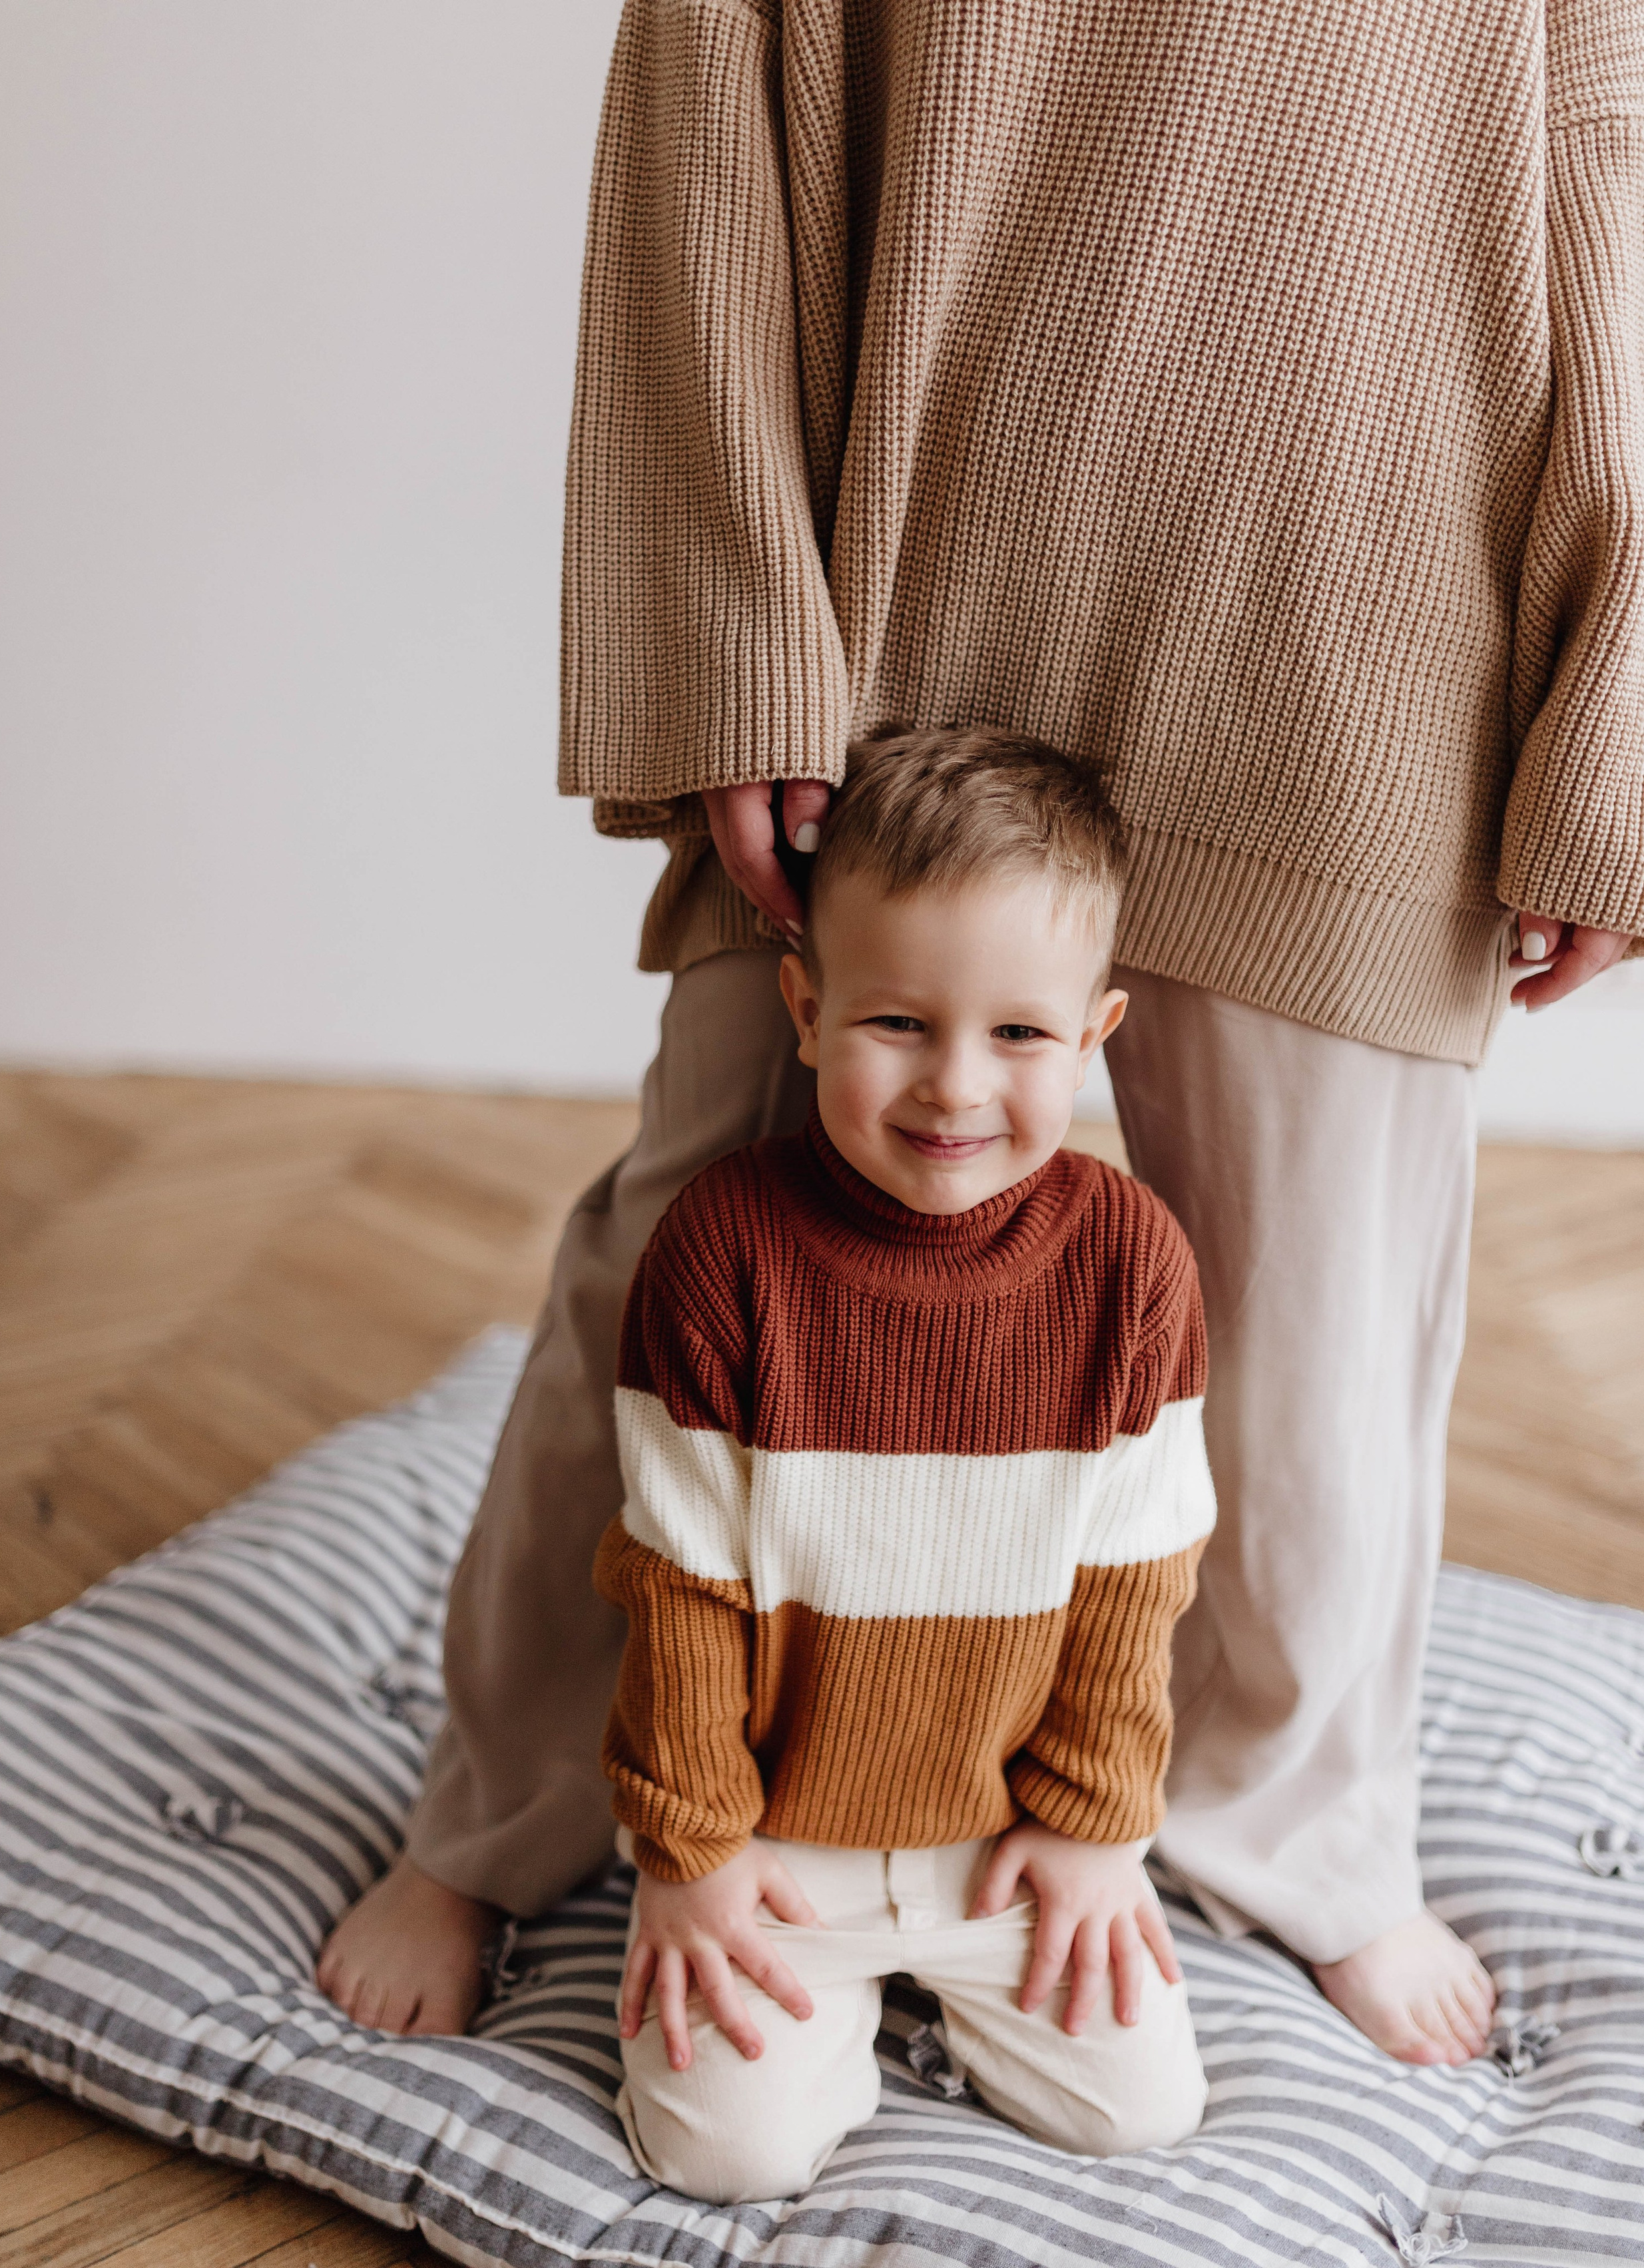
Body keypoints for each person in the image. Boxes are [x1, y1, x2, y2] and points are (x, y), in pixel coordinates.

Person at [318, 0, 1644, 2065]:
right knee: (687, 1256)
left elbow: (1608, 128)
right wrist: (730, 625)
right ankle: (508, 1806)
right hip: (907, 536)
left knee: (1325, 1323)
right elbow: (709, 86)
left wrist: (1619, 712)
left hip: (1372, 580)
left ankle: (1291, 1823)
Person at [601, 730, 1211, 2197]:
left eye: (1016, 1035)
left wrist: (1088, 1831)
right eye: (895, 1022)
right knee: (726, 2160)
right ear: (803, 1010)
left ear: (1094, 1034)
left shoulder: (1131, 1265)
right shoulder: (720, 1251)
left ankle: (921, 2003)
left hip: (1001, 1839)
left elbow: (1138, 1586)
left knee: (1139, 2112)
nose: (952, 1088)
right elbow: (673, 1588)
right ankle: (829, 2023)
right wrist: (689, 1854)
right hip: (771, 1841)